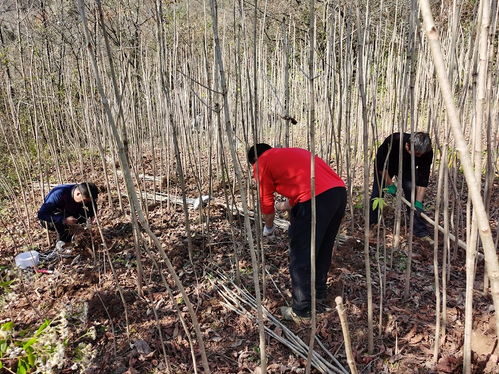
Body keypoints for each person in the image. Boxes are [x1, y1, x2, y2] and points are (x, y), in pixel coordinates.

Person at [248, 144, 346, 322]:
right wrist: (284, 206)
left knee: (301, 253)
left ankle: (302, 310)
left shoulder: (261, 163)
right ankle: (319, 292)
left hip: (315, 199)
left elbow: (266, 203)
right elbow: (304, 187)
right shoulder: (290, 153)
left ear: (254, 161)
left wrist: (269, 227)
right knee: (323, 245)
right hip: (338, 193)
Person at [369, 132, 433, 238]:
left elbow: (423, 178)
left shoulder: (427, 152)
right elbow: (380, 165)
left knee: (412, 193)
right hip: (386, 167)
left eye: (421, 154)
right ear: (407, 146)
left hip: (407, 169)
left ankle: (419, 230)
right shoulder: (394, 140)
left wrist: (418, 202)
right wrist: (390, 185)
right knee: (377, 194)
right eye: (417, 154)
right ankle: (373, 223)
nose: (420, 156)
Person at [38, 182, 99, 249]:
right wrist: (63, 219)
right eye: (84, 201)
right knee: (63, 226)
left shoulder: (85, 192)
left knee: (84, 215)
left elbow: (91, 203)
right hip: (53, 217)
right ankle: (64, 244)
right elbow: (41, 214)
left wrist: (93, 215)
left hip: (70, 211)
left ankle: (78, 235)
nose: (85, 203)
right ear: (78, 194)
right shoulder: (58, 194)